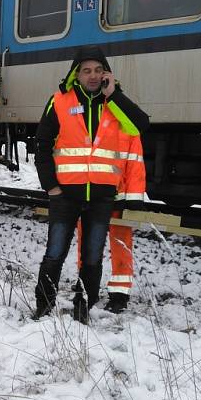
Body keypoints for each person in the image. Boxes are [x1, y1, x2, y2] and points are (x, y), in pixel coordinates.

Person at [32, 46, 149, 324]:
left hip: (100, 199)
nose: (93, 76)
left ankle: (82, 309)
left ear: (106, 74)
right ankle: (44, 307)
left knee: (93, 258)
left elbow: (141, 125)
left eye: (98, 70)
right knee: (55, 254)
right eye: (87, 70)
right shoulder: (59, 101)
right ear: (77, 73)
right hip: (64, 196)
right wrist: (51, 186)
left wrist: (114, 95)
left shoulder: (114, 103)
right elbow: (43, 145)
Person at [76, 132, 145, 314]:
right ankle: (87, 288)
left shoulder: (124, 121)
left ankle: (119, 295)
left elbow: (135, 162)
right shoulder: (91, 114)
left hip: (114, 195)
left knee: (118, 243)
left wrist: (134, 195)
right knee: (88, 244)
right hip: (92, 193)